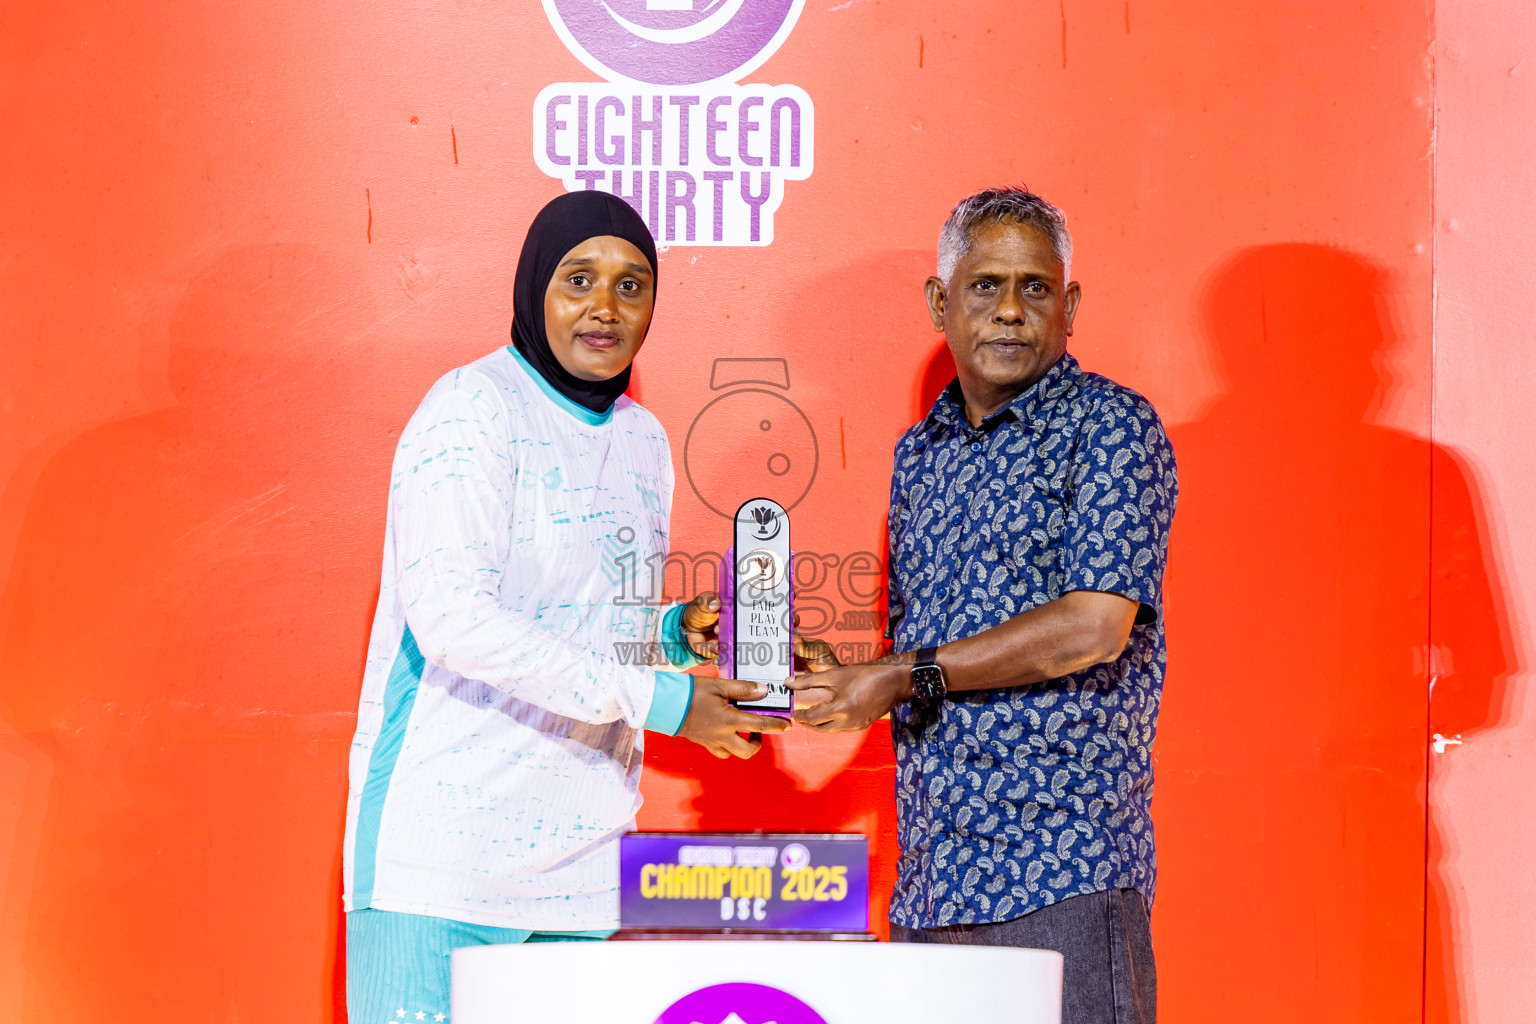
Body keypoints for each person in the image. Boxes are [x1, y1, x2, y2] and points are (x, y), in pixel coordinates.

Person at [341, 190, 787, 1020]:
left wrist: (669, 636)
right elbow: (454, 622)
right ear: (536, 284)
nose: (605, 307)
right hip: (444, 867)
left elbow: (588, 631)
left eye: (632, 285)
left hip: (583, 875)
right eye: (579, 278)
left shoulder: (644, 442)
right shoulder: (472, 409)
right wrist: (667, 701)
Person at [788, 186, 1178, 1024]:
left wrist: (897, 676)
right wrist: (853, 680)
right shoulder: (917, 457)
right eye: (984, 286)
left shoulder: (1112, 428)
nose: (1009, 310)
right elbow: (919, 654)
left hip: (1065, 871)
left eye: (1034, 288)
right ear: (940, 302)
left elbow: (1093, 627)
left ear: (1068, 306)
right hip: (933, 884)